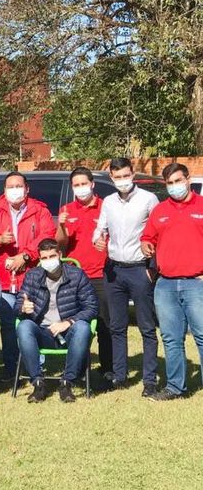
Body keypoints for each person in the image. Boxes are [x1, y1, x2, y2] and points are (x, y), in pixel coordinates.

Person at [0, 171, 56, 380]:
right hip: (3, 278)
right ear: (4, 190)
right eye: (10, 187)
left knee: (34, 320)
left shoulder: (40, 210)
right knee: (9, 324)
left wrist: (26, 256)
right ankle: (12, 370)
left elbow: (47, 235)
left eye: (18, 186)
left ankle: (35, 369)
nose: (15, 190)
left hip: (33, 277)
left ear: (27, 188)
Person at [93, 157, 159, 397]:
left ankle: (149, 379)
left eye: (125, 175)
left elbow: (157, 234)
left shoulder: (148, 199)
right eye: (117, 177)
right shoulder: (108, 202)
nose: (122, 180)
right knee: (116, 327)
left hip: (139, 269)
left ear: (133, 174)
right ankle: (119, 376)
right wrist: (98, 239)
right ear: (111, 177)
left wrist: (153, 266)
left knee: (146, 327)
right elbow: (100, 229)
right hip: (114, 270)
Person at [141, 163, 203, 401]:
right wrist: (145, 244)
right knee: (171, 337)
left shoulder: (201, 205)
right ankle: (176, 387)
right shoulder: (160, 210)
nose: (175, 186)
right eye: (170, 183)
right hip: (165, 284)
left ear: (188, 179)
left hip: (196, 283)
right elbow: (148, 237)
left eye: (178, 180)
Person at [15, 238, 98, 403]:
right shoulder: (32, 276)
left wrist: (69, 322)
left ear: (60, 254)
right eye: (44, 258)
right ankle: (38, 384)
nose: (48, 261)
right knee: (24, 326)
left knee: (82, 327)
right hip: (42, 331)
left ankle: (67, 383)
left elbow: (92, 307)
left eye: (52, 256)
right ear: (39, 259)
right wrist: (23, 307)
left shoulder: (76, 275)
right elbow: (18, 303)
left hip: (68, 331)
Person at [56, 166, 113, 384]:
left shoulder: (105, 207)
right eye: (76, 185)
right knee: (75, 322)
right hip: (75, 277)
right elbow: (61, 244)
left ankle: (108, 368)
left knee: (104, 323)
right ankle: (76, 369)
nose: (81, 188)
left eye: (84, 183)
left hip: (101, 274)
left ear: (92, 184)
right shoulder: (67, 210)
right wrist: (61, 225)